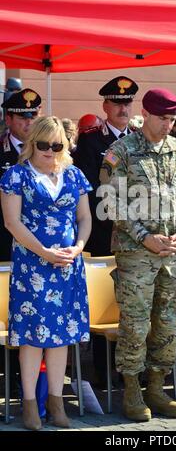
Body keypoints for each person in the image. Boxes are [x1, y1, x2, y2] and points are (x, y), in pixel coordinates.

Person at [100, 88, 176, 421]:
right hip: (136, 254)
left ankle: (157, 388)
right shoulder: (121, 151)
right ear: (147, 113)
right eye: (163, 118)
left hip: (171, 253)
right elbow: (112, 201)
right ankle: (131, 391)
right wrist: (144, 237)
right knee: (136, 324)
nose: (168, 125)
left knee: (167, 322)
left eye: (172, 119)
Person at [0, 116, 92, 430]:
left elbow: (85, 219)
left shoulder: (75, 175)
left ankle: (56, 403)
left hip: (67, 269)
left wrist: (78, 247)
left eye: (56, 145)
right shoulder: (16, 176)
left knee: (61, 337)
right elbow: (12, 222)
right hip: (32, 267)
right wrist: (45, 253)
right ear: (31, 143)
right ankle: (29, 405)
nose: (49, 152)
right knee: (32, 337)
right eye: (43, 145)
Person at [0, 88, 41, 399]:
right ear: (8, 119)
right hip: (3, 244)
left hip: (38, 251)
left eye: (34, 115)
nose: (29, 121)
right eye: (24, 116)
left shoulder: (48, 152)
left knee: (29, 316)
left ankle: (25, 385)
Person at [74, 76, 138, 256]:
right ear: (105, 107)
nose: (123, 109)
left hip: (136, 230)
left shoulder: (139, 139)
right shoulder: (91, 140)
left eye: (127, 104)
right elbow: (89, 188)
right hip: (103, 229)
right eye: (117, 104)